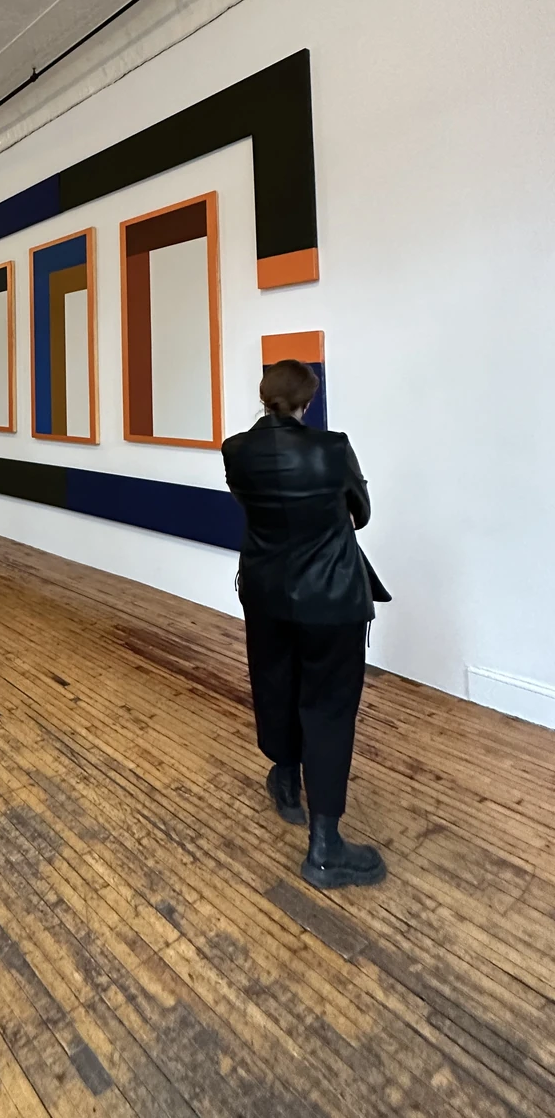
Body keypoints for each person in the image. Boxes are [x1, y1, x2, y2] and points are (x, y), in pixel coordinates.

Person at [222, 359, 387, 890]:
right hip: (331, 599)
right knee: (328, 709)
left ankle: (286, 782)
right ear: (307, 402)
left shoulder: (236, 451)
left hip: (266, 594)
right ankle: (325, 849)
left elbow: (254, 507)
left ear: (265, 396)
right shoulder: (332, 448)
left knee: (276, 685)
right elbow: (361, 513)